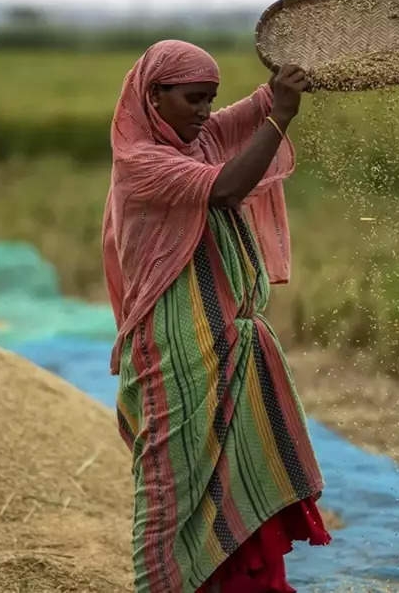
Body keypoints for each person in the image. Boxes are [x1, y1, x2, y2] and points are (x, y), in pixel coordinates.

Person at [102, 39, 329, 593]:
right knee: (170, 490)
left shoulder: (196, 139)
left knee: (231, 476)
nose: (205, 113)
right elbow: (228, 188)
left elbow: (259, 107)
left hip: (224, 341)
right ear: (154, 97)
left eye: (211, 100)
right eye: (193, 99)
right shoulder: (143, 164)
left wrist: (302, 55)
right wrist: (280, 117)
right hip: (175, 350)